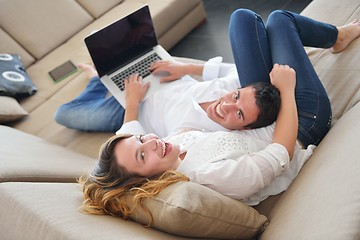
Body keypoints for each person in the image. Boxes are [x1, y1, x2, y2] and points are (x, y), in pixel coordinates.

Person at [79, 9, 360, 221]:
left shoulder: (173, 148)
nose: (150, 142)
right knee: (280, 21)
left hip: (267, 113)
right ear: (142, 181)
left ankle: (96, 79)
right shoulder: (209, 177)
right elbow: (280, 154)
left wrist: (135, 105)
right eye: (143, 155)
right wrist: (286, 91)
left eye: (142, 140)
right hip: (301, 123)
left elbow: (127, 135)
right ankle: (339, 35)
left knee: (246, 19)